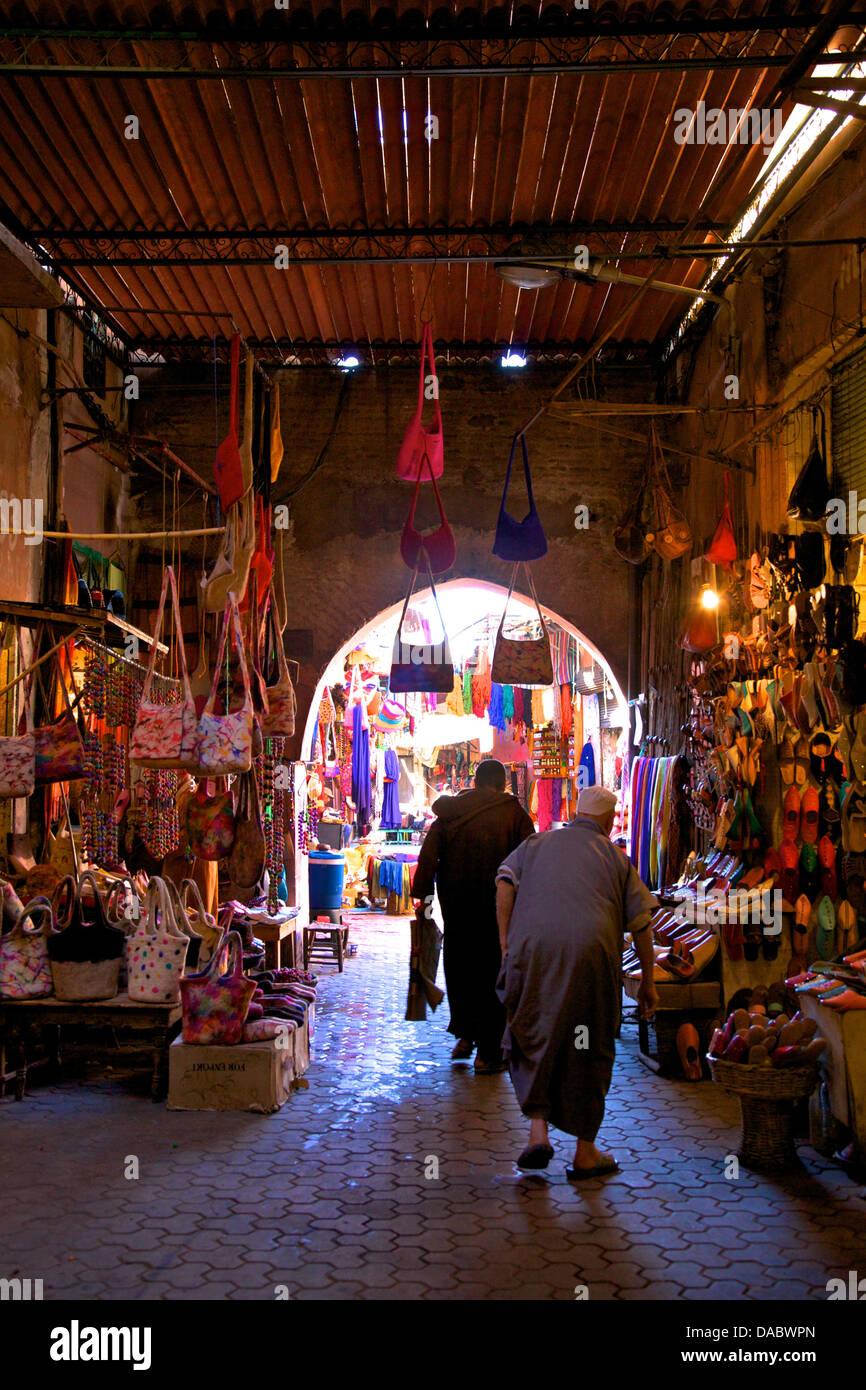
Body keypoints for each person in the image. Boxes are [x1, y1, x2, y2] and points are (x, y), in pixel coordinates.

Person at [495, 784, 658, 1178]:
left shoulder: (537, 844)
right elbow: (642, 925)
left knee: (535, 1030)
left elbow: (504, 882)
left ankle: (538, 1134)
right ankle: (585, 1151)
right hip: (591, 956)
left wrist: (506, 945)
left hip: (533, 951)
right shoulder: (615, 858)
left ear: (576, 813)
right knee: (588, 1041)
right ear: (606, 821)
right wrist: (649, 981)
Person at [412, 757, 535, 1073]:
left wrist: (422, 902)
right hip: (498, 910)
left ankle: (465, 1035)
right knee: (492, 970)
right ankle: (488, 1053)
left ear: (477, 782)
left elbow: (427, 860)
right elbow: (530, 861)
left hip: (457, 906)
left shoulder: (451, 813)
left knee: (461, 965)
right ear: (502, 783)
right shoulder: (514, 814)